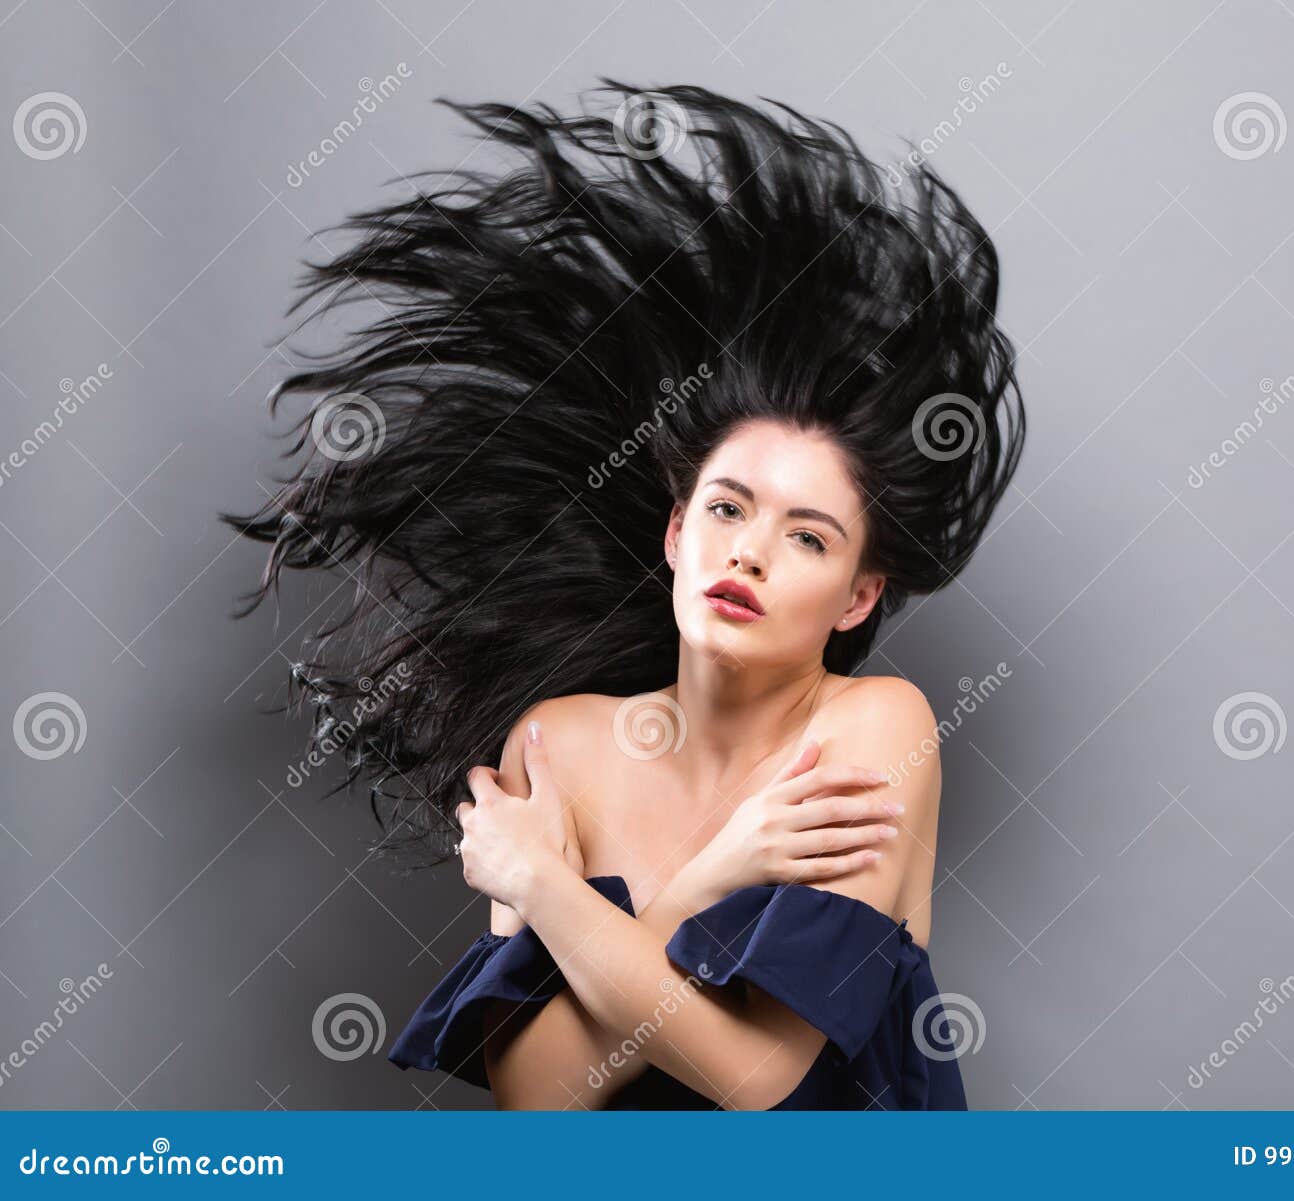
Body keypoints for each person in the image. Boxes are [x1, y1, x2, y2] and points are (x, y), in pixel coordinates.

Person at [223, 81, 1026, 1109]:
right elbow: (541, 1101)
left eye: (808, 536)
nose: (751, 556)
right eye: (728, 511)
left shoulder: (874, 729)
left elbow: (755, 1074)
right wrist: (709, 878)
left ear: (857, 597)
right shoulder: (558, 744)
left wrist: (544, 886)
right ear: (676, 533)